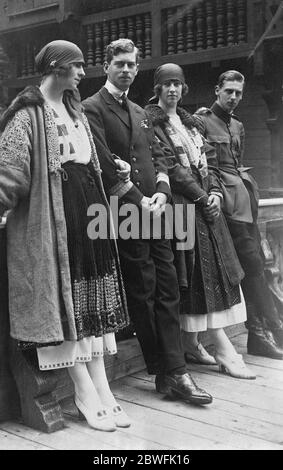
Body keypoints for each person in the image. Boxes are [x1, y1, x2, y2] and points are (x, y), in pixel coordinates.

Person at [0, 40, 132, 432]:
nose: (81, 73)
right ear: (57, 67)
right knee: (68, 301)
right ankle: (83, 390)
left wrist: (117, 174)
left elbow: (92, 160)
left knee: (92, 301)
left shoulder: (75, 110)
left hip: (88, 208)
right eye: (77, 67)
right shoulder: (25, 114)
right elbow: (10, 173)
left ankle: (103, 388)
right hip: (55, 214)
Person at [83, 38, 213, 405]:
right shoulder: (94, 108)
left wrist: (161, 190)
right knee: (144, 289)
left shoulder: (141, 111)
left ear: (138, 69)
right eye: (119, 63)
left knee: (169, 286)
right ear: (106, 66)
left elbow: (158, 155)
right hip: (124, 212)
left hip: (157, 210)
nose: (126, 70)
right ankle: (170, 371)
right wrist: (140, 200)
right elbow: (103, 164)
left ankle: (173, 371)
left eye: (131, 65)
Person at [145, 63, 255, 379]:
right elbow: (169, 166)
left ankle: (192, 343)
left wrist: (216, 194)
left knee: (215, 273)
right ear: (158, 89)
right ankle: (223, 348)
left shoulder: (193, 123)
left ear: (184, 89)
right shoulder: (152, 123)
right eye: (166, 84)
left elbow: (211, 161)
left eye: (177, 84)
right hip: (182, 204)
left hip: (207, 202)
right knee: (193, 275)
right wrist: (200, 197)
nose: (172, 90)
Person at [195, 70, 283, 359]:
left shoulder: (238, 125)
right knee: (252, 264)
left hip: (245, 203)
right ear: (217, 89)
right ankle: (269, 328)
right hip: (223, 204)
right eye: (229, 91)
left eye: (238, 93)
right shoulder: (202, 121)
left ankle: (261, 333)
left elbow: (237, 163)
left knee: (256, 263)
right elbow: (208, 167)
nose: (233, 97)